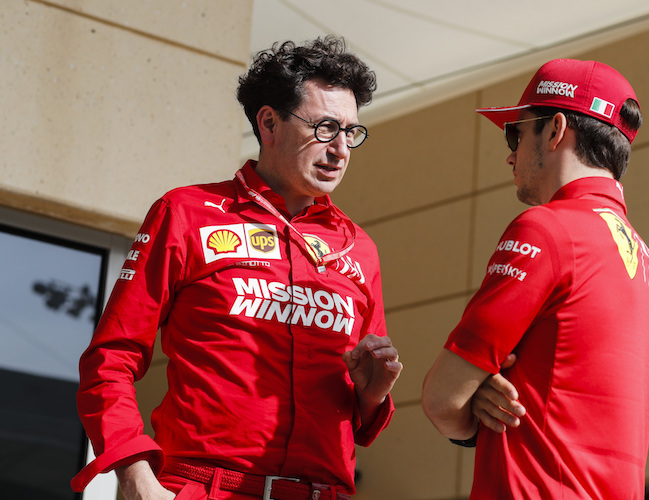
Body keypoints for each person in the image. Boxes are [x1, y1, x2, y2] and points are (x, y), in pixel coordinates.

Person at [71, 35, 402, 500]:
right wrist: (135, 475)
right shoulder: (186, 212)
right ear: (268, 123)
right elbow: (110, 362)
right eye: (325, 128)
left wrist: (370, 394)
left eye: (351, 133)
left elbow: (361, 422)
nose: (341, 149)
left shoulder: (359, 246)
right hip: (203, 487)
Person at [422, 58, 649, 499]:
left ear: (555, 130)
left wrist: (472, 405)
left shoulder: (546, 228)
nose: (510, 153)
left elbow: (443, 399)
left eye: (516, 132)